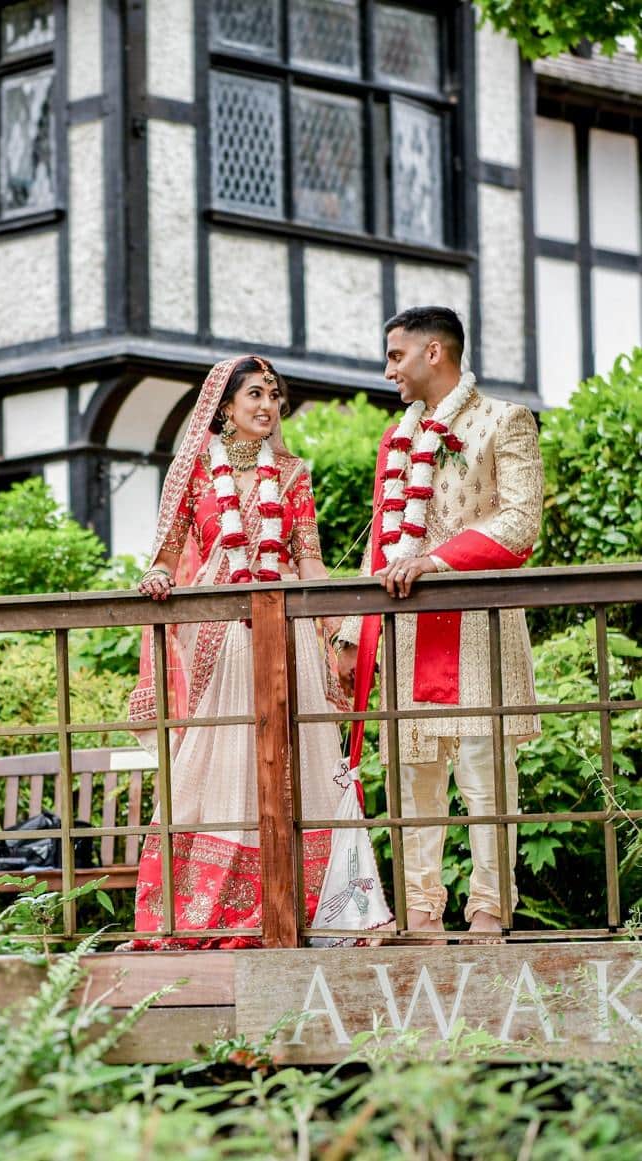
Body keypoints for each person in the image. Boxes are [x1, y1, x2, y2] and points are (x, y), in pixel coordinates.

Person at [129, 354, 379, 948]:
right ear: (225, 407)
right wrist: (158, 576)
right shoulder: (193, 472)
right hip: (218, 632)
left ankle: (317, 910)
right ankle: (207, 908)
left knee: (299, 755)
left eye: (273, 395)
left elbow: (311, 561)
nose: (268, 405)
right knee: (220, 756)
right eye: (255, 395)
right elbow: (166, 557)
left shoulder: (293, 474)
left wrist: (341, 630)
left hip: (286, 628)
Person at [337, 306, 543, 939]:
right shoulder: (396, 439)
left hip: (479, 628)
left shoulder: (505, 420)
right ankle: (421, 913)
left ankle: (489, 912)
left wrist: (434, 562)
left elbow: (520, 524)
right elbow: (382, 541)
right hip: (405, 628)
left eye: (395, 356)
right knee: (411, 778)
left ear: (434, 352)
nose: (388, 370)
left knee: (486, 779)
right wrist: (352, 635)